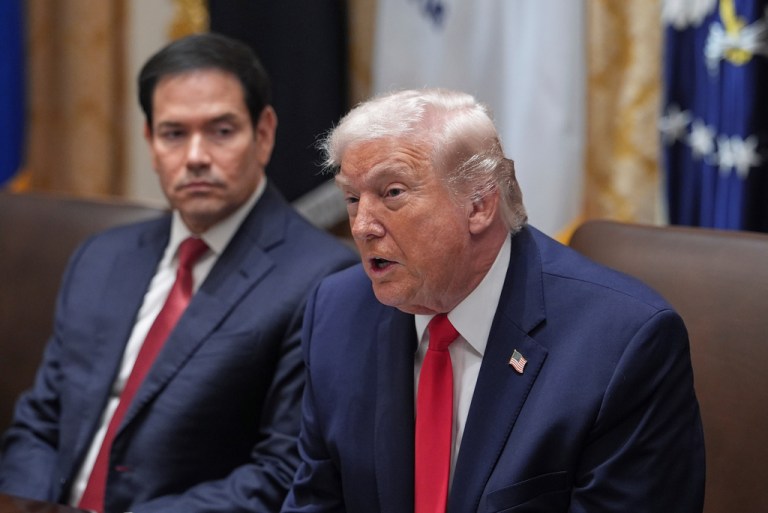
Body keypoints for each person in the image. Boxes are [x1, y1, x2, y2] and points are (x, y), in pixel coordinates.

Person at [281, 88, 705, 512]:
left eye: (392, 193)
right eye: (353, 199)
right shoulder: (336, 313)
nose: (361, 227)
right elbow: (316, 500)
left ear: (479, 205)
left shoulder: (621, 346)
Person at [0, 33, 357, 513]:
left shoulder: (324, 282)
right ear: (150, 142)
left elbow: (280, 473)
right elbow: (40, 423)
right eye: (173, 134)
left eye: (221, 131)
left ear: (264, 133)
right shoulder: (102, 257)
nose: (195, 157)